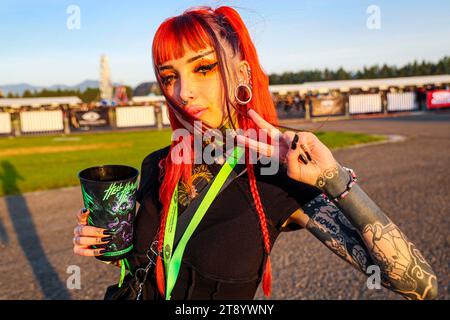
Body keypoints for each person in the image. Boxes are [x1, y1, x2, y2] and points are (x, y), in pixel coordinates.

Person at [73, 6, 437, 300]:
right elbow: (149, 263)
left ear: (242, 72)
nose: (183, 92)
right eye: (170, 77)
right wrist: (105, 243)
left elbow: (419, 287)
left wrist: (334, 180)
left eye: (203, 68)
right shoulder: (158, 164)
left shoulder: (277, 175)